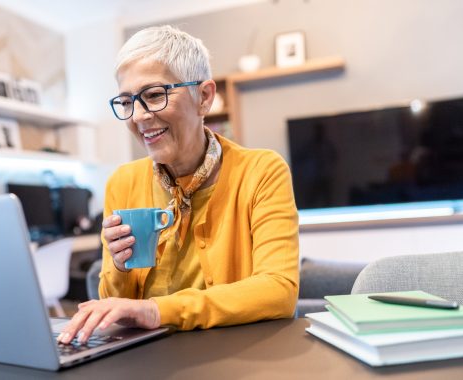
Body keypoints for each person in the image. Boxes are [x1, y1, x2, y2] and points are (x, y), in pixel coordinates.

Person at [58, 25, 299, 345]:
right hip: (147, 356)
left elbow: (278, 291)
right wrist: (119, 265)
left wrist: (158, 311)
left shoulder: (261, 171)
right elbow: (116, 302)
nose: (139, 117)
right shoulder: (123, 182)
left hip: (235, 352)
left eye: (155, 95)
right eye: (127, 102)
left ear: (204, 97)